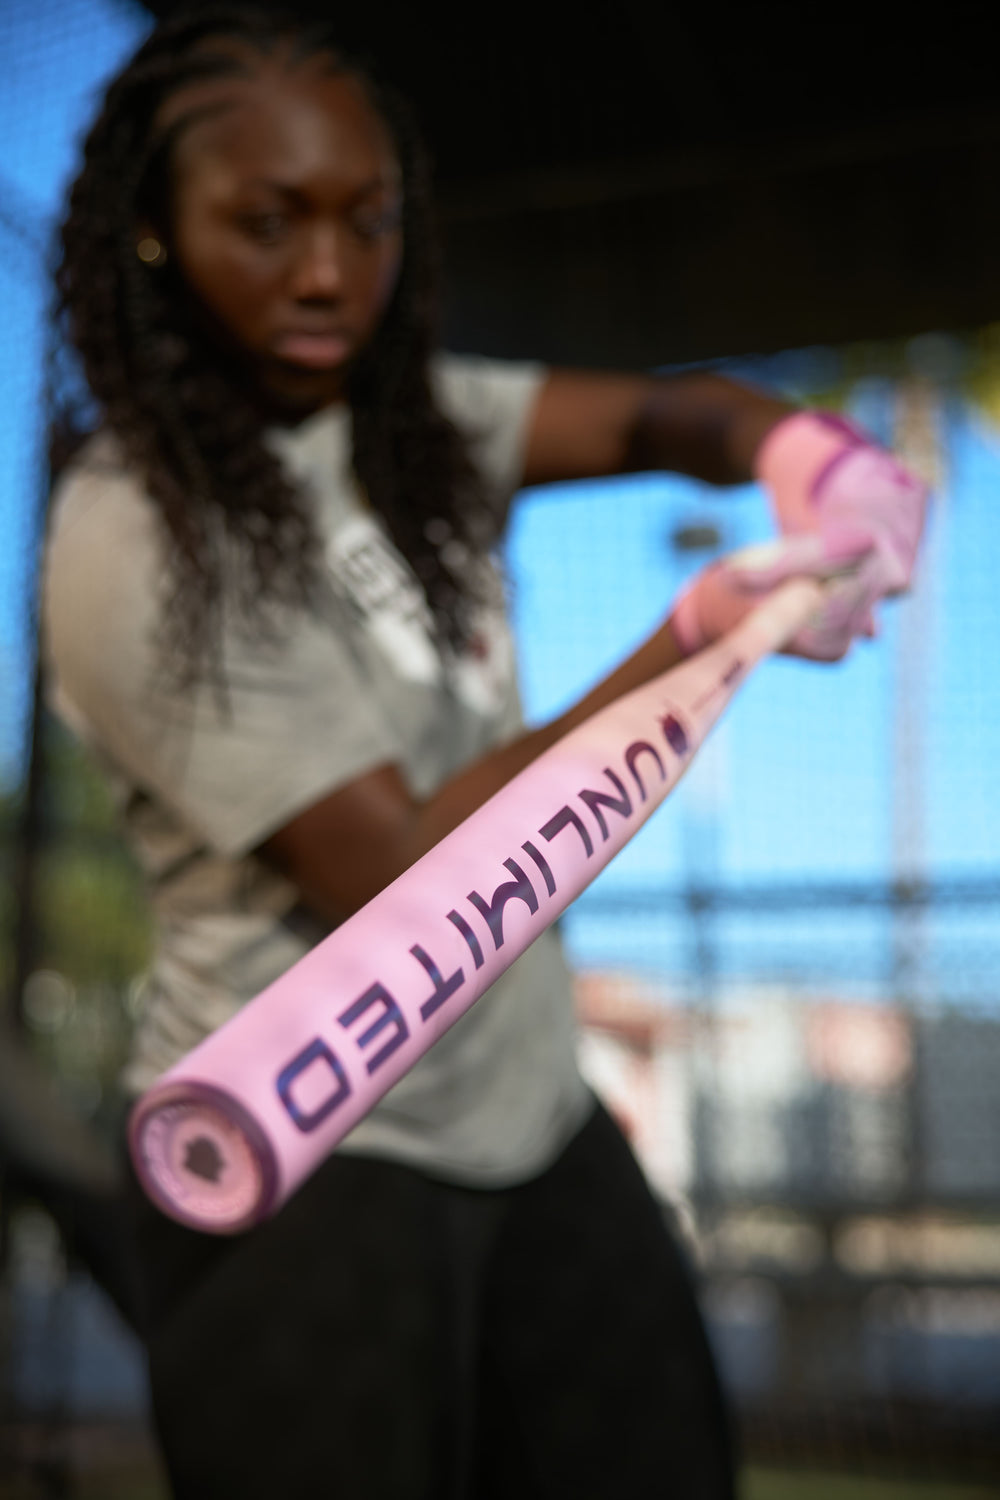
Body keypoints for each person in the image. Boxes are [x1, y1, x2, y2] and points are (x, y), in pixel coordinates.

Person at [41, 6, 927, 1497]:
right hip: (302, 1147)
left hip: (532, 1117)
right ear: (153, 233)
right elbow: (391, 877)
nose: (329, 272)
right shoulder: (129, 533)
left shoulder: (425, 419)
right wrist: (698, 636)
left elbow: (671, 411)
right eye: (267, 221)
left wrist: (813, 458)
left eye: (368, 220)